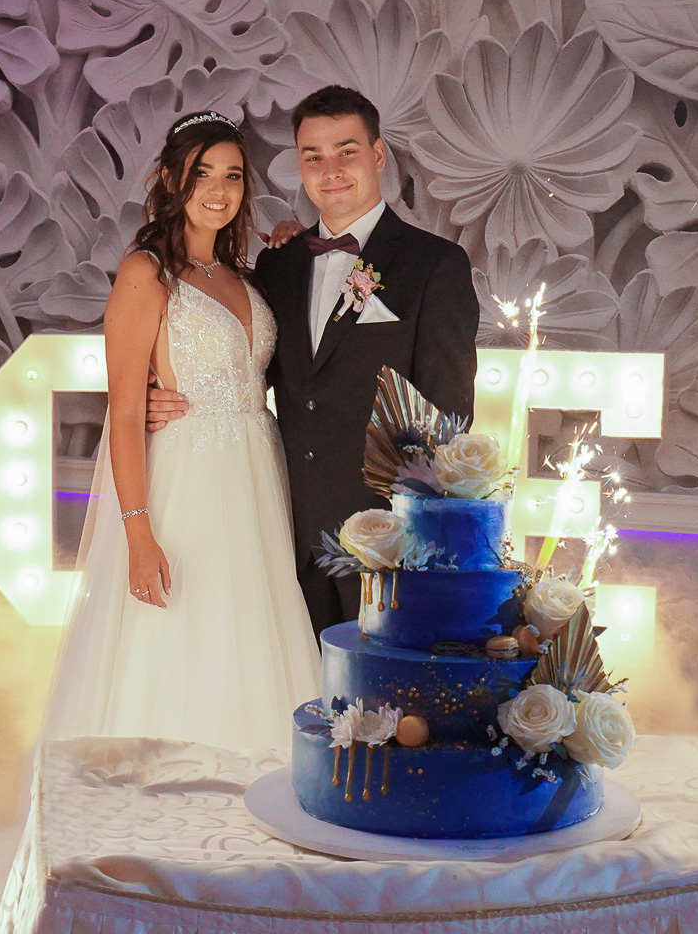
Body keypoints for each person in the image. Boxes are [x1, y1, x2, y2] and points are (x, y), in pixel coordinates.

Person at [148, 86, 480, 639]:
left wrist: (418, 534)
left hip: (386, 543)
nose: (331, 171)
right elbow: (237, 366)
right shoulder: (279, 267)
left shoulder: (435, 264)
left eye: (346, 152)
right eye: (313, 156)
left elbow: (447, 417)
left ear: (378, 154)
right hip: (283, 530)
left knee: (381, 692)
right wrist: (155, 394)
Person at [40, 111, 320, 753]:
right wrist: (138, 533)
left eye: (233, 176)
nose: (219, 190)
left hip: (257, 476)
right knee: (187, 627)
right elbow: (125, 413)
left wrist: (291, 243)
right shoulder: (146, 273)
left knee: (251, 628)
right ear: (169, 179)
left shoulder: (244, 274)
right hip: (188, 479)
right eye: (202, 174)